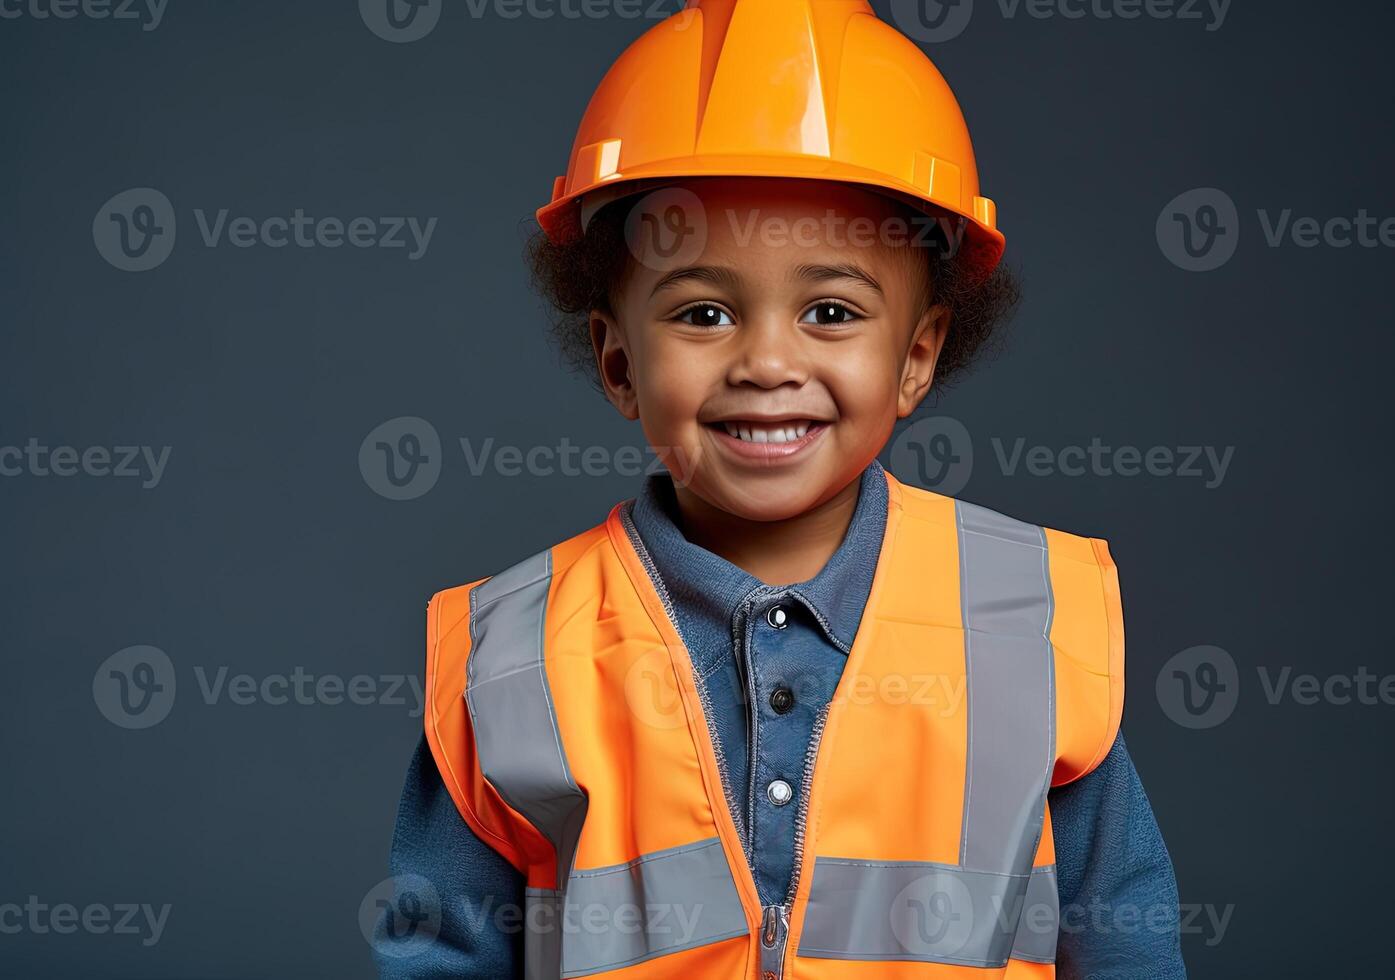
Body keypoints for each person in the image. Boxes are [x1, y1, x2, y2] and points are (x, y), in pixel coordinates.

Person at [375, 1, 1185, 976]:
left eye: (831, 310)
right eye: (705, 311)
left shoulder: (1025, 621)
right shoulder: (513, 659)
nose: (766, 360)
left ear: (918, 356)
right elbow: (441, 953)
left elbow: (1124, 933)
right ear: (618, 358)